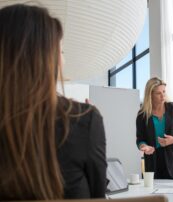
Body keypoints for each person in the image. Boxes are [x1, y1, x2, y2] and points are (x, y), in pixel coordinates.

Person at [0, 4, 107, 200]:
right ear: (47, 59)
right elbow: (98, 195)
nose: (63, 61)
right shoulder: (84, 120)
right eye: (62, 52)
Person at [136, 77, 173, 179]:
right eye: (158, 93)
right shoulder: (142, 115)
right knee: (154, 194)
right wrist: (144, 147)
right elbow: (140, 139)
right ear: (150, 95)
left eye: (164, 92)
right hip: (153, 162)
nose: (163, 96)